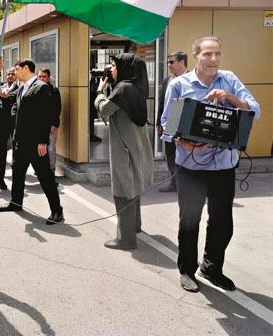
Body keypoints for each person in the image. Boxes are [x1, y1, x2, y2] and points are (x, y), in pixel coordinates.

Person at [161, 36, 260, 293]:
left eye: (217, 53)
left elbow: (255, 110)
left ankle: (212, 267)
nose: (213, 59)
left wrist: (231, 98)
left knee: (222, 221)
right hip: (191, 168)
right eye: (207, 54)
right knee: (189, 221)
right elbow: (167, 125)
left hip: (224, 166)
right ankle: (187, 271)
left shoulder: (229, 79)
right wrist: (187, 145)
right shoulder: (180, 84)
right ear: (196, 56)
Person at [94, 54, 153, 250]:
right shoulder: (135, 87)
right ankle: (135, 226)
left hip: (124, 147)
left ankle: (125, 239)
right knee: (133, 184)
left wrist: (99, 91)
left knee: (122, 188)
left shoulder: (122, 89)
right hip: (137, 145)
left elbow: (105, 108)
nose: (110, 69)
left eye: (113, 65)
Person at [0, 60, 63, 225]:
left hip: (36, 143)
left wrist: (42, 141)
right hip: (20, 141)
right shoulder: (21, 87)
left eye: (17, 69)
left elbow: (45, 115)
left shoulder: (42, 87)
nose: (15, 72)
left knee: (45, 177)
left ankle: (57, 211)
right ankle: (16, 202)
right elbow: (17, 107)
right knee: (18, 174)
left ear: (26, 68)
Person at [156, 51, 188, 192]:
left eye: (172, 62)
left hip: (185, 121)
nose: (169, 65)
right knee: (171, 152)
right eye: (168, 62)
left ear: (182, 62)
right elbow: (162, 104)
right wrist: (158, 122)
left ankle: (187, 184)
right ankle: (174, 182)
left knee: (186, 152)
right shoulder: (166, 81)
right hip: (170, 120)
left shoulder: (192, 80)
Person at [38, 68, 61, 172]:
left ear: (49, 78)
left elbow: (57, 108)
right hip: (38, 125)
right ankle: (41, 169)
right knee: (39, 148)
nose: (42, 78)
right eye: (40, 76)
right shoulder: (35, 89)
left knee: (50, 149)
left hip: (51, 125)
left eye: (44, 77)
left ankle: (51, 170)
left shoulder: (54, 90)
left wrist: (54, 124)